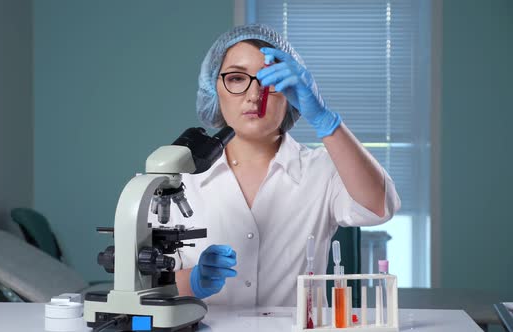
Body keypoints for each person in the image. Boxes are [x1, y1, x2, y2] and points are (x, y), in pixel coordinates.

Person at [158, 24, 400, 306]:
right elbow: (145, 284)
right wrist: (195, 281)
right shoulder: (175, 178)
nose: (253, 95)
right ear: (214, 87)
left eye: (270, 80)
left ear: (291, 93)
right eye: (236, 78)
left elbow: (379, 208)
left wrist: (325, 121)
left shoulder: (322, 170)